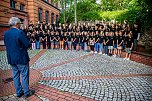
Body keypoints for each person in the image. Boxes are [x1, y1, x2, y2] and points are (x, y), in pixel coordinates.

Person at [4, 17, 35, 97]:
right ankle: (27, 92)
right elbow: (27, 45)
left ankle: (18, 92)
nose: (20, 26)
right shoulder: (20, 33)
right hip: (21, 58)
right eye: (19, 24)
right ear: (16, 24)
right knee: (24, 75)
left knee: (15, 75)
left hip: (12, 58)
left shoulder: (6, 33)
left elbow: (7, 44)